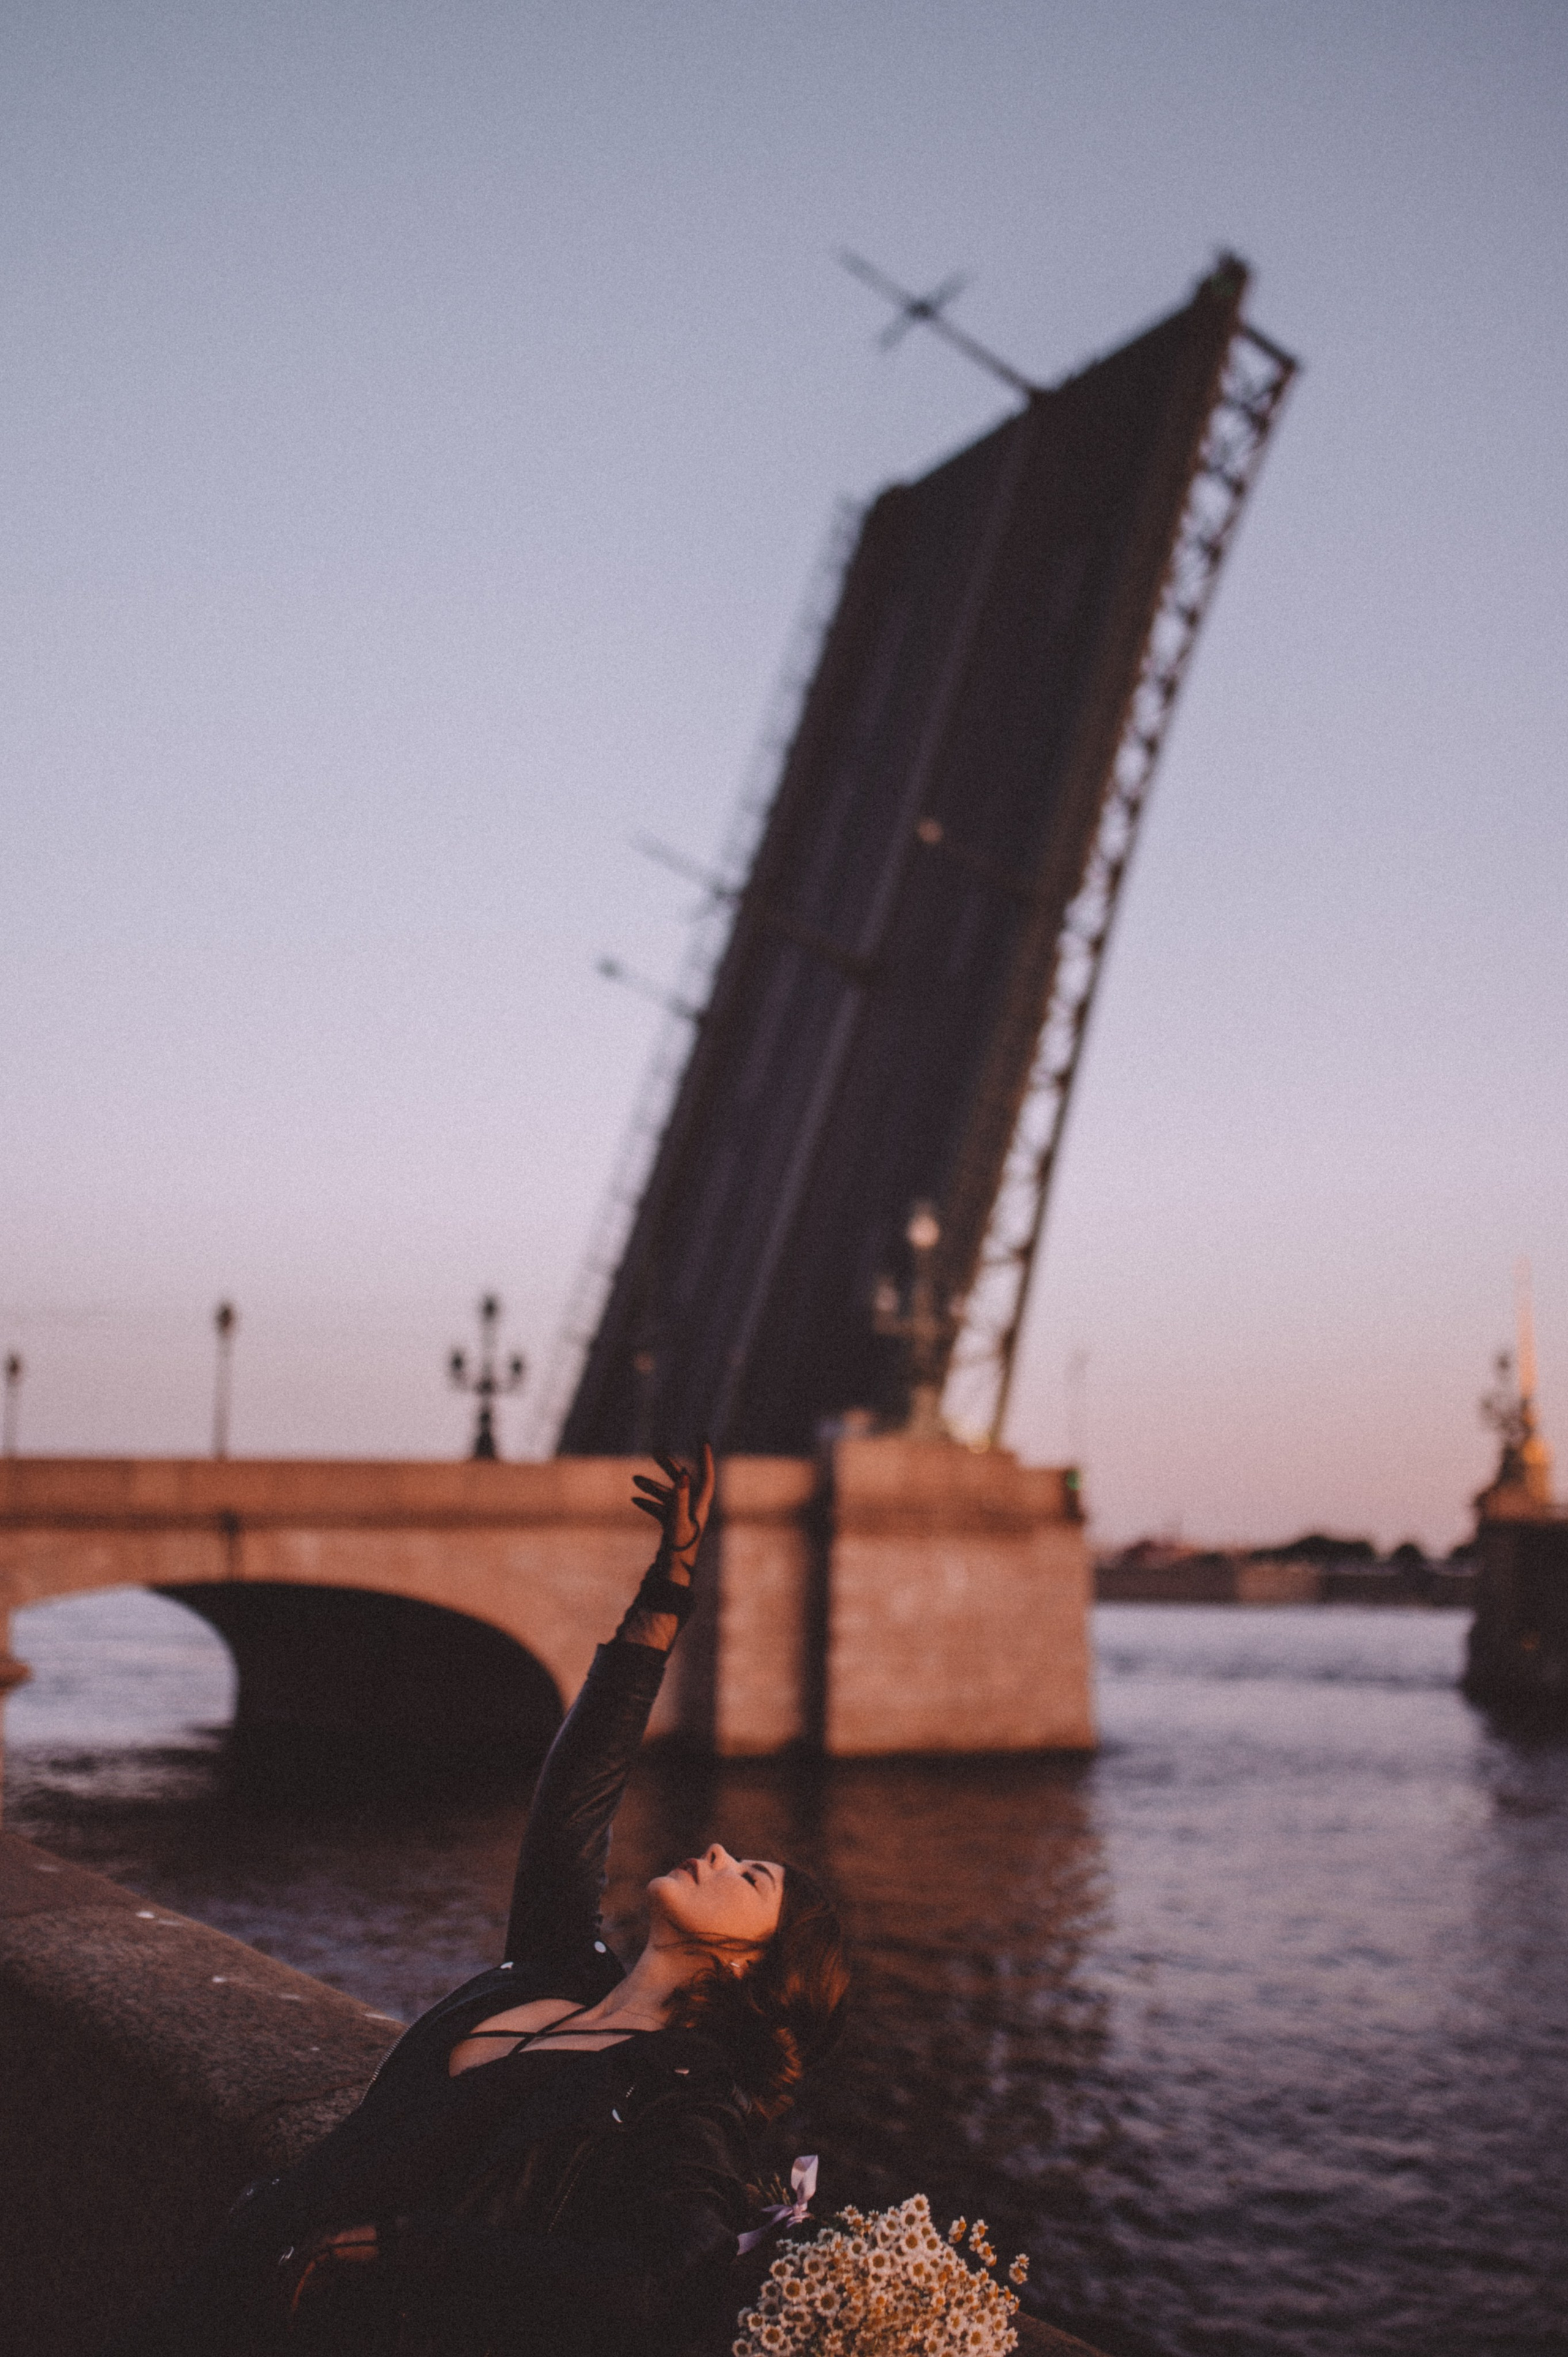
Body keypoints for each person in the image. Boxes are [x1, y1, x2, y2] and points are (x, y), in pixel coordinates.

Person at [106, 1446, 850, 2357]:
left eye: (754, 1877)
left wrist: (413, 2247)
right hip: (239, 2277)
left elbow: (665, 2283)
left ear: (750, 1963)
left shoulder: (683, 2095)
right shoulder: (559, 1968)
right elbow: (574, 1797)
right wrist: (668, 1587)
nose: (723, 1852)